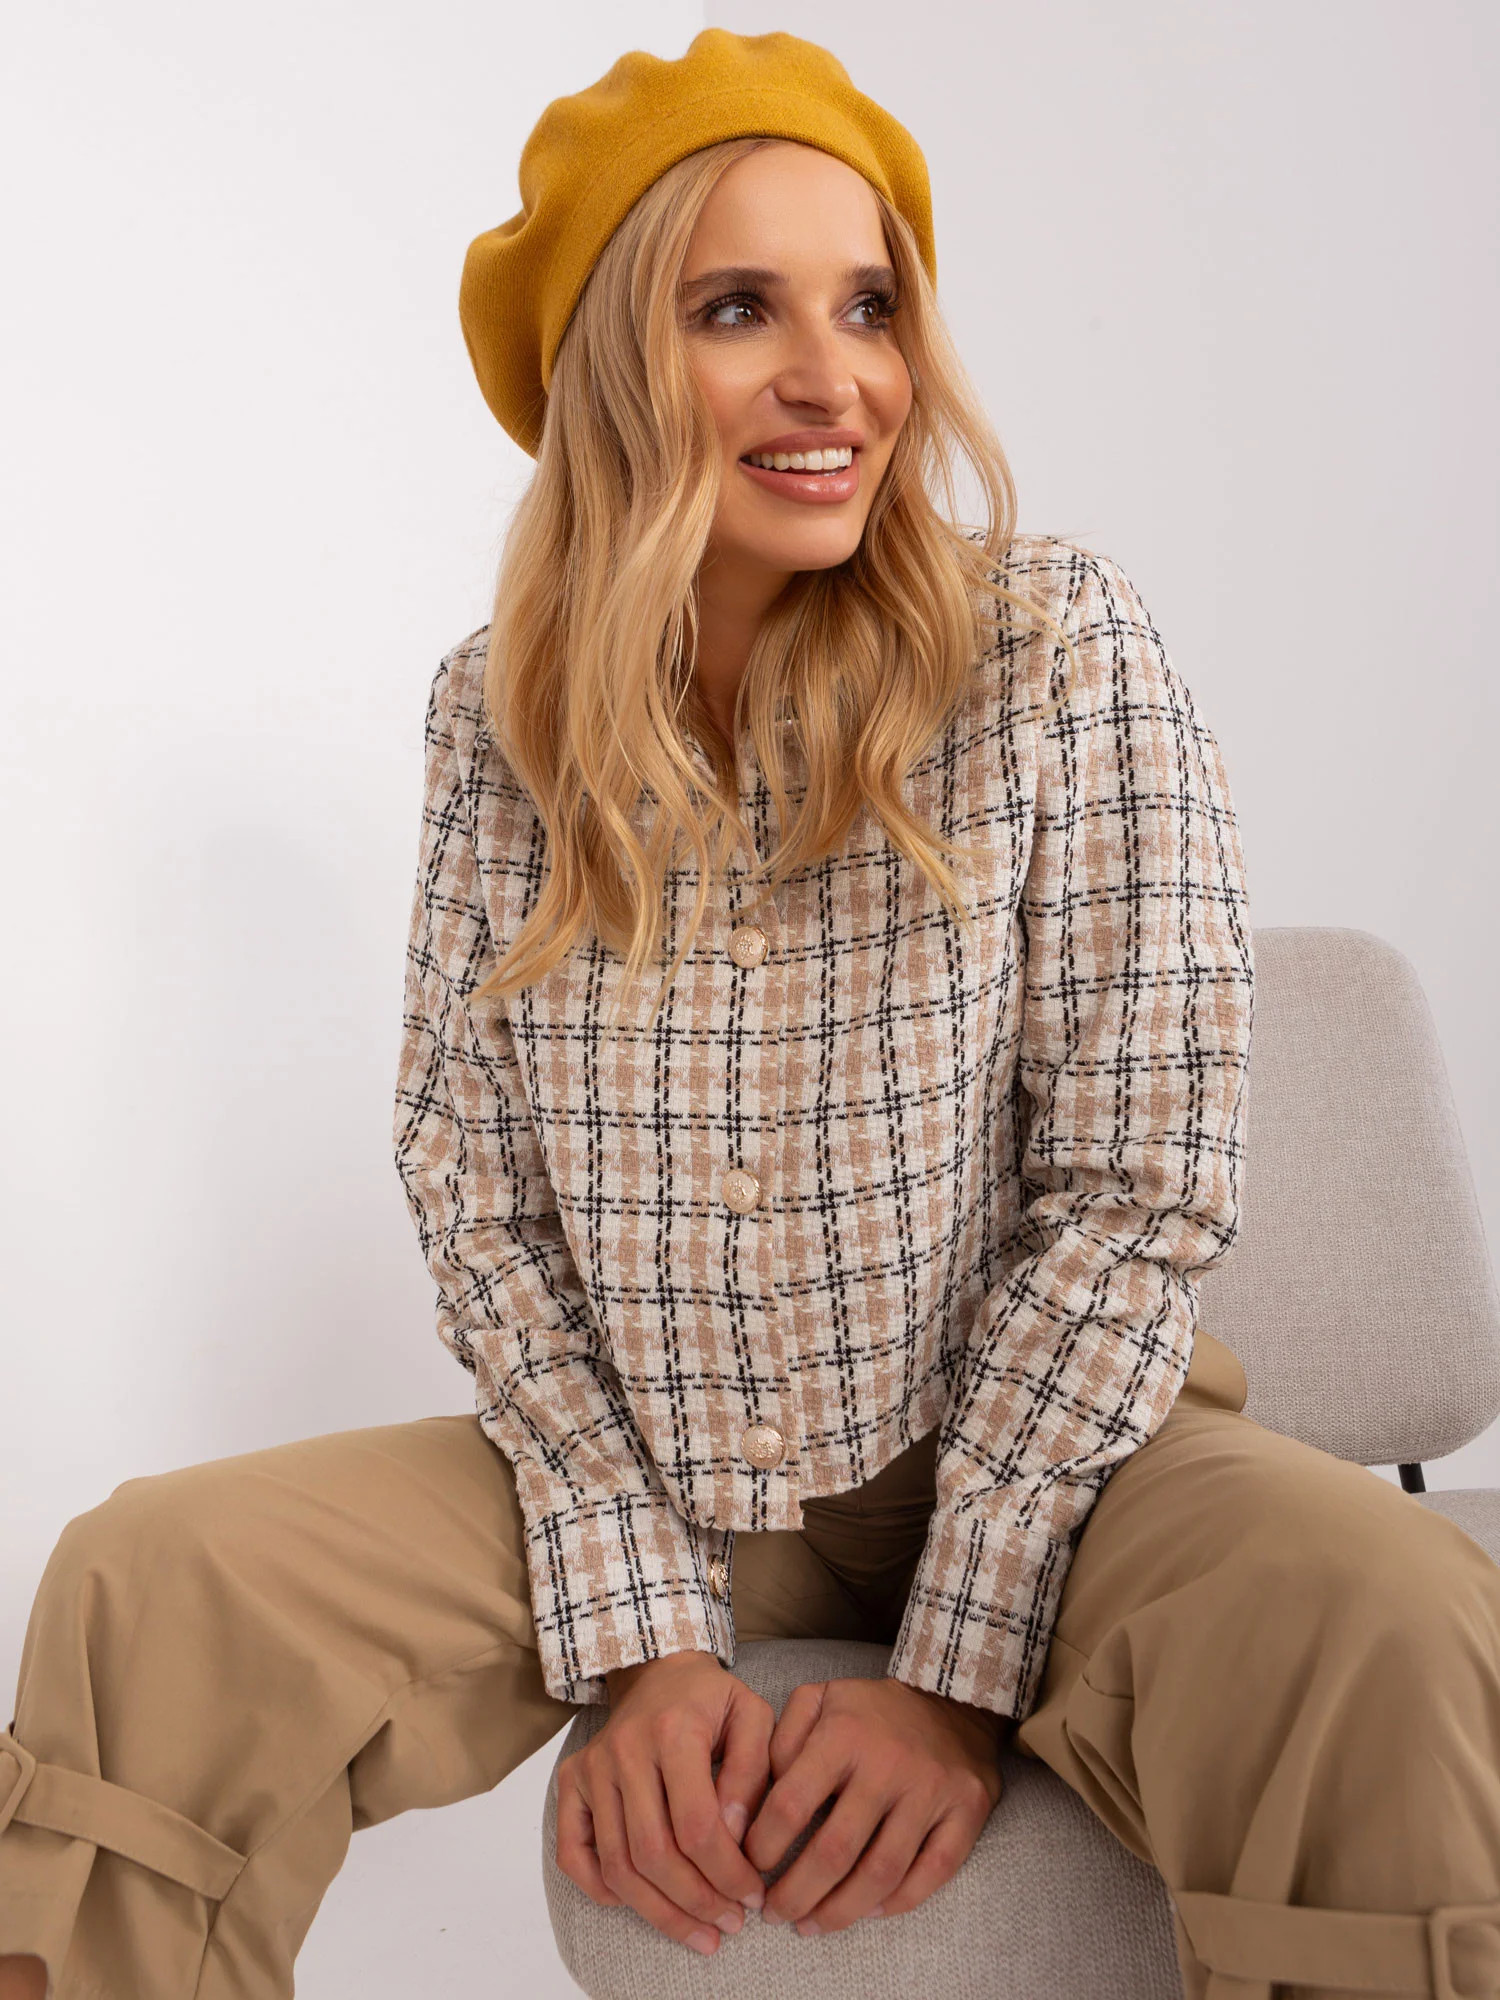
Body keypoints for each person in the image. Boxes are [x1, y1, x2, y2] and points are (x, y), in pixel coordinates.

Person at [2, 27, 1498, 2000]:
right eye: (738, 310)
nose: (835, 377)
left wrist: (954, 1676)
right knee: (151, 1581)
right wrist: (640, 1629)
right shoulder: (495, 717)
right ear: (613, 369)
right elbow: (477, 1192)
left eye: (869, 306)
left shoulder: (1056, 647)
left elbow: (1140, 1177)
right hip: (658, 1470)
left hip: (1063, 1462)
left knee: (1391, 1612)